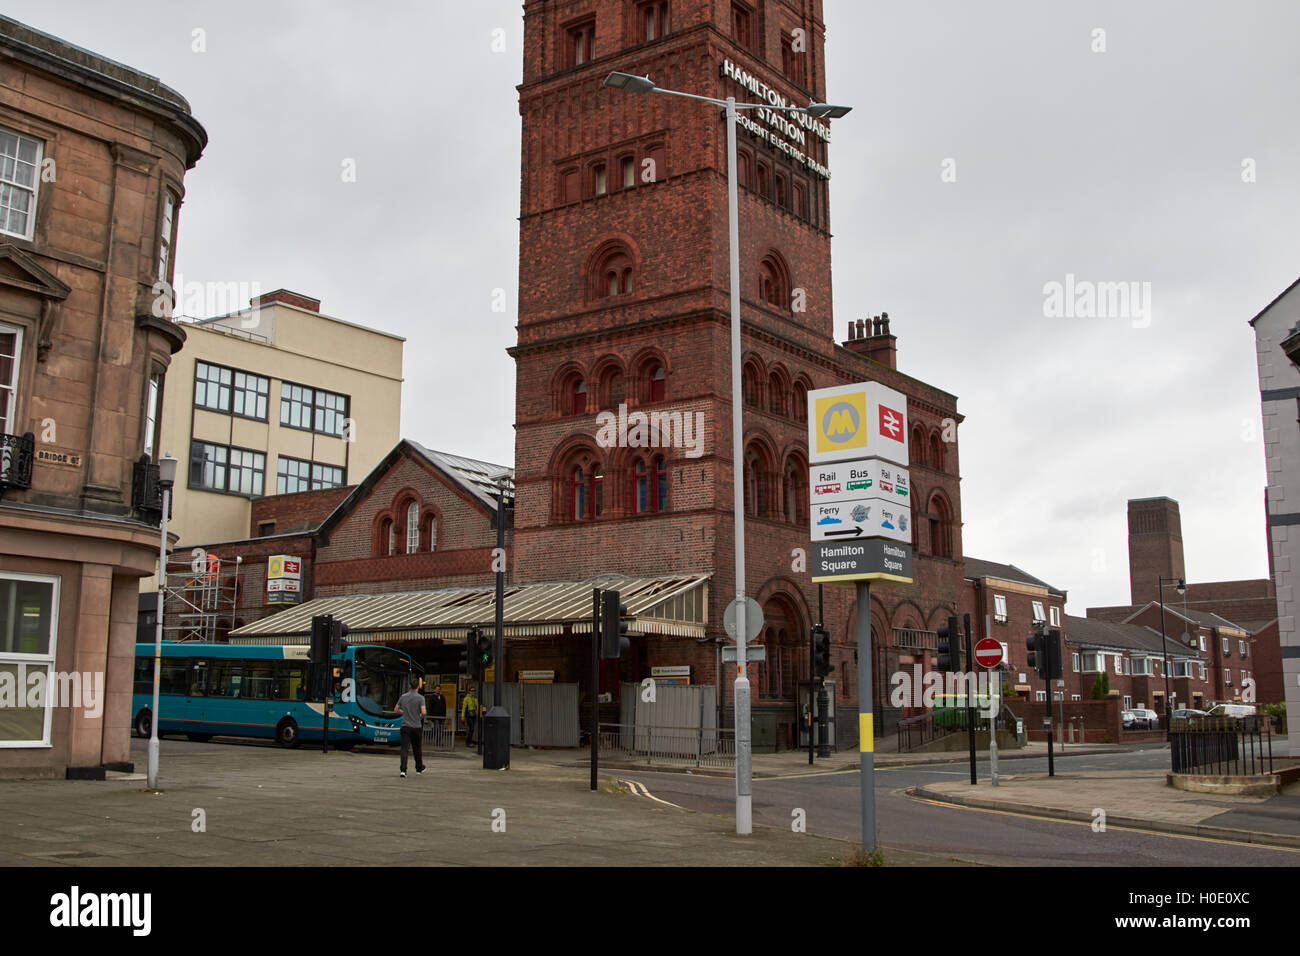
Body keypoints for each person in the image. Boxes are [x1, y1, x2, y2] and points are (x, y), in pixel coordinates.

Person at [393, 676, 426, 778]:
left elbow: (395, 709)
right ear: (418, 687)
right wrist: (419, 716)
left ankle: (403, 770)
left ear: (410, 686)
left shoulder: (403, 696)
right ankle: (419, 768)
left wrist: (404, 713)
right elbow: (424, 712)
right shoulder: (421, 698)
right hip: (416, 726)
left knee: (404, 749)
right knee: (417, 748)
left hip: (405, 726)